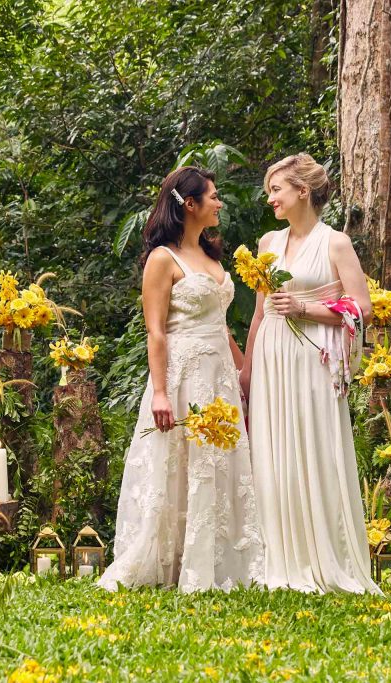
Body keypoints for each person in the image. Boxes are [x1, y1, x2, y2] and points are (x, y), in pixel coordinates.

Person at [99, 166, 263, 592]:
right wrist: (159, 392)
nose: (219, 203)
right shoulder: (161, 259)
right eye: (213, 196)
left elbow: (221, 325)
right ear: (189, 205)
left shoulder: (212, 256)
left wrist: (243, 371)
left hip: (219, 374)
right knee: (176, 465)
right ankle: (169, 561)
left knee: (217, 463)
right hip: (181, 374)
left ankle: (218, 559)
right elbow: (155, 331)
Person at [240, 153, 379, 593]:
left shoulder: (336, 243)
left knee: (314, 446)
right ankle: (279, 557)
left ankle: (324, 556)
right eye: (269, 192)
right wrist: (246, 369)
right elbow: (260, 313)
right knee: (273, 450)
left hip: (314, 359)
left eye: (277, 190)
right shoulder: (267, 243)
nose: (271, 200)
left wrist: (306, 308)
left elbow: (364, 309)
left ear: (303, 191)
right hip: (272, 355)